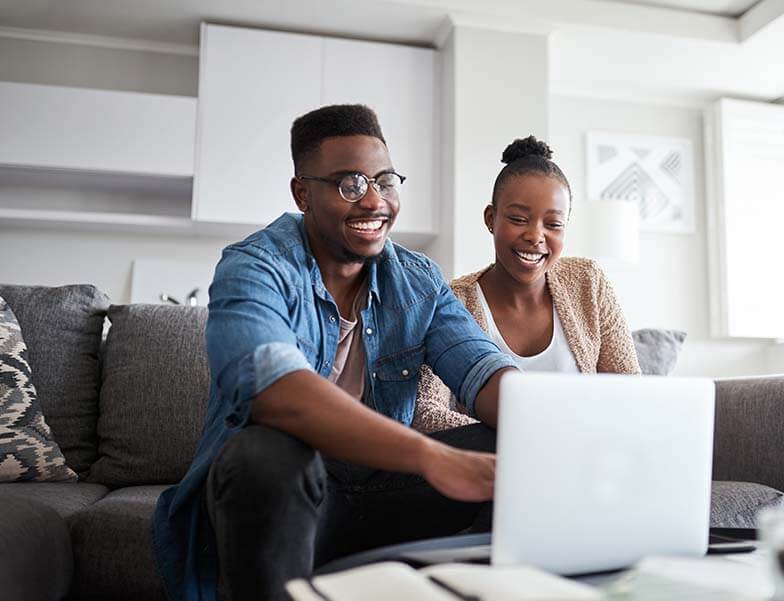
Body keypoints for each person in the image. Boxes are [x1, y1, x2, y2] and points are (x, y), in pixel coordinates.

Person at [152, 105, 518, 601]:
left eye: (385, 181)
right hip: (292, 494)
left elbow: (481, 369)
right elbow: (276, 393)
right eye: (350, 184)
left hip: (384, 490)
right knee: (265, 454)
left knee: (513, 444)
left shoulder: (418, 279)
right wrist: (430, 456)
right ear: (303, 193)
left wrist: (547, 422)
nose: (373, 201)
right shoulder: (255, 267)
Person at [414, 135, 641, 433]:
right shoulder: (452, 301)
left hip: (585, 458)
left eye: (553, 224)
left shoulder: (588, 282)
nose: (536, 236)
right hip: (491, 466)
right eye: (519, 219)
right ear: (490, 219)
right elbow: (425, 412)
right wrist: (522, 439)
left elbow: (632, 393)